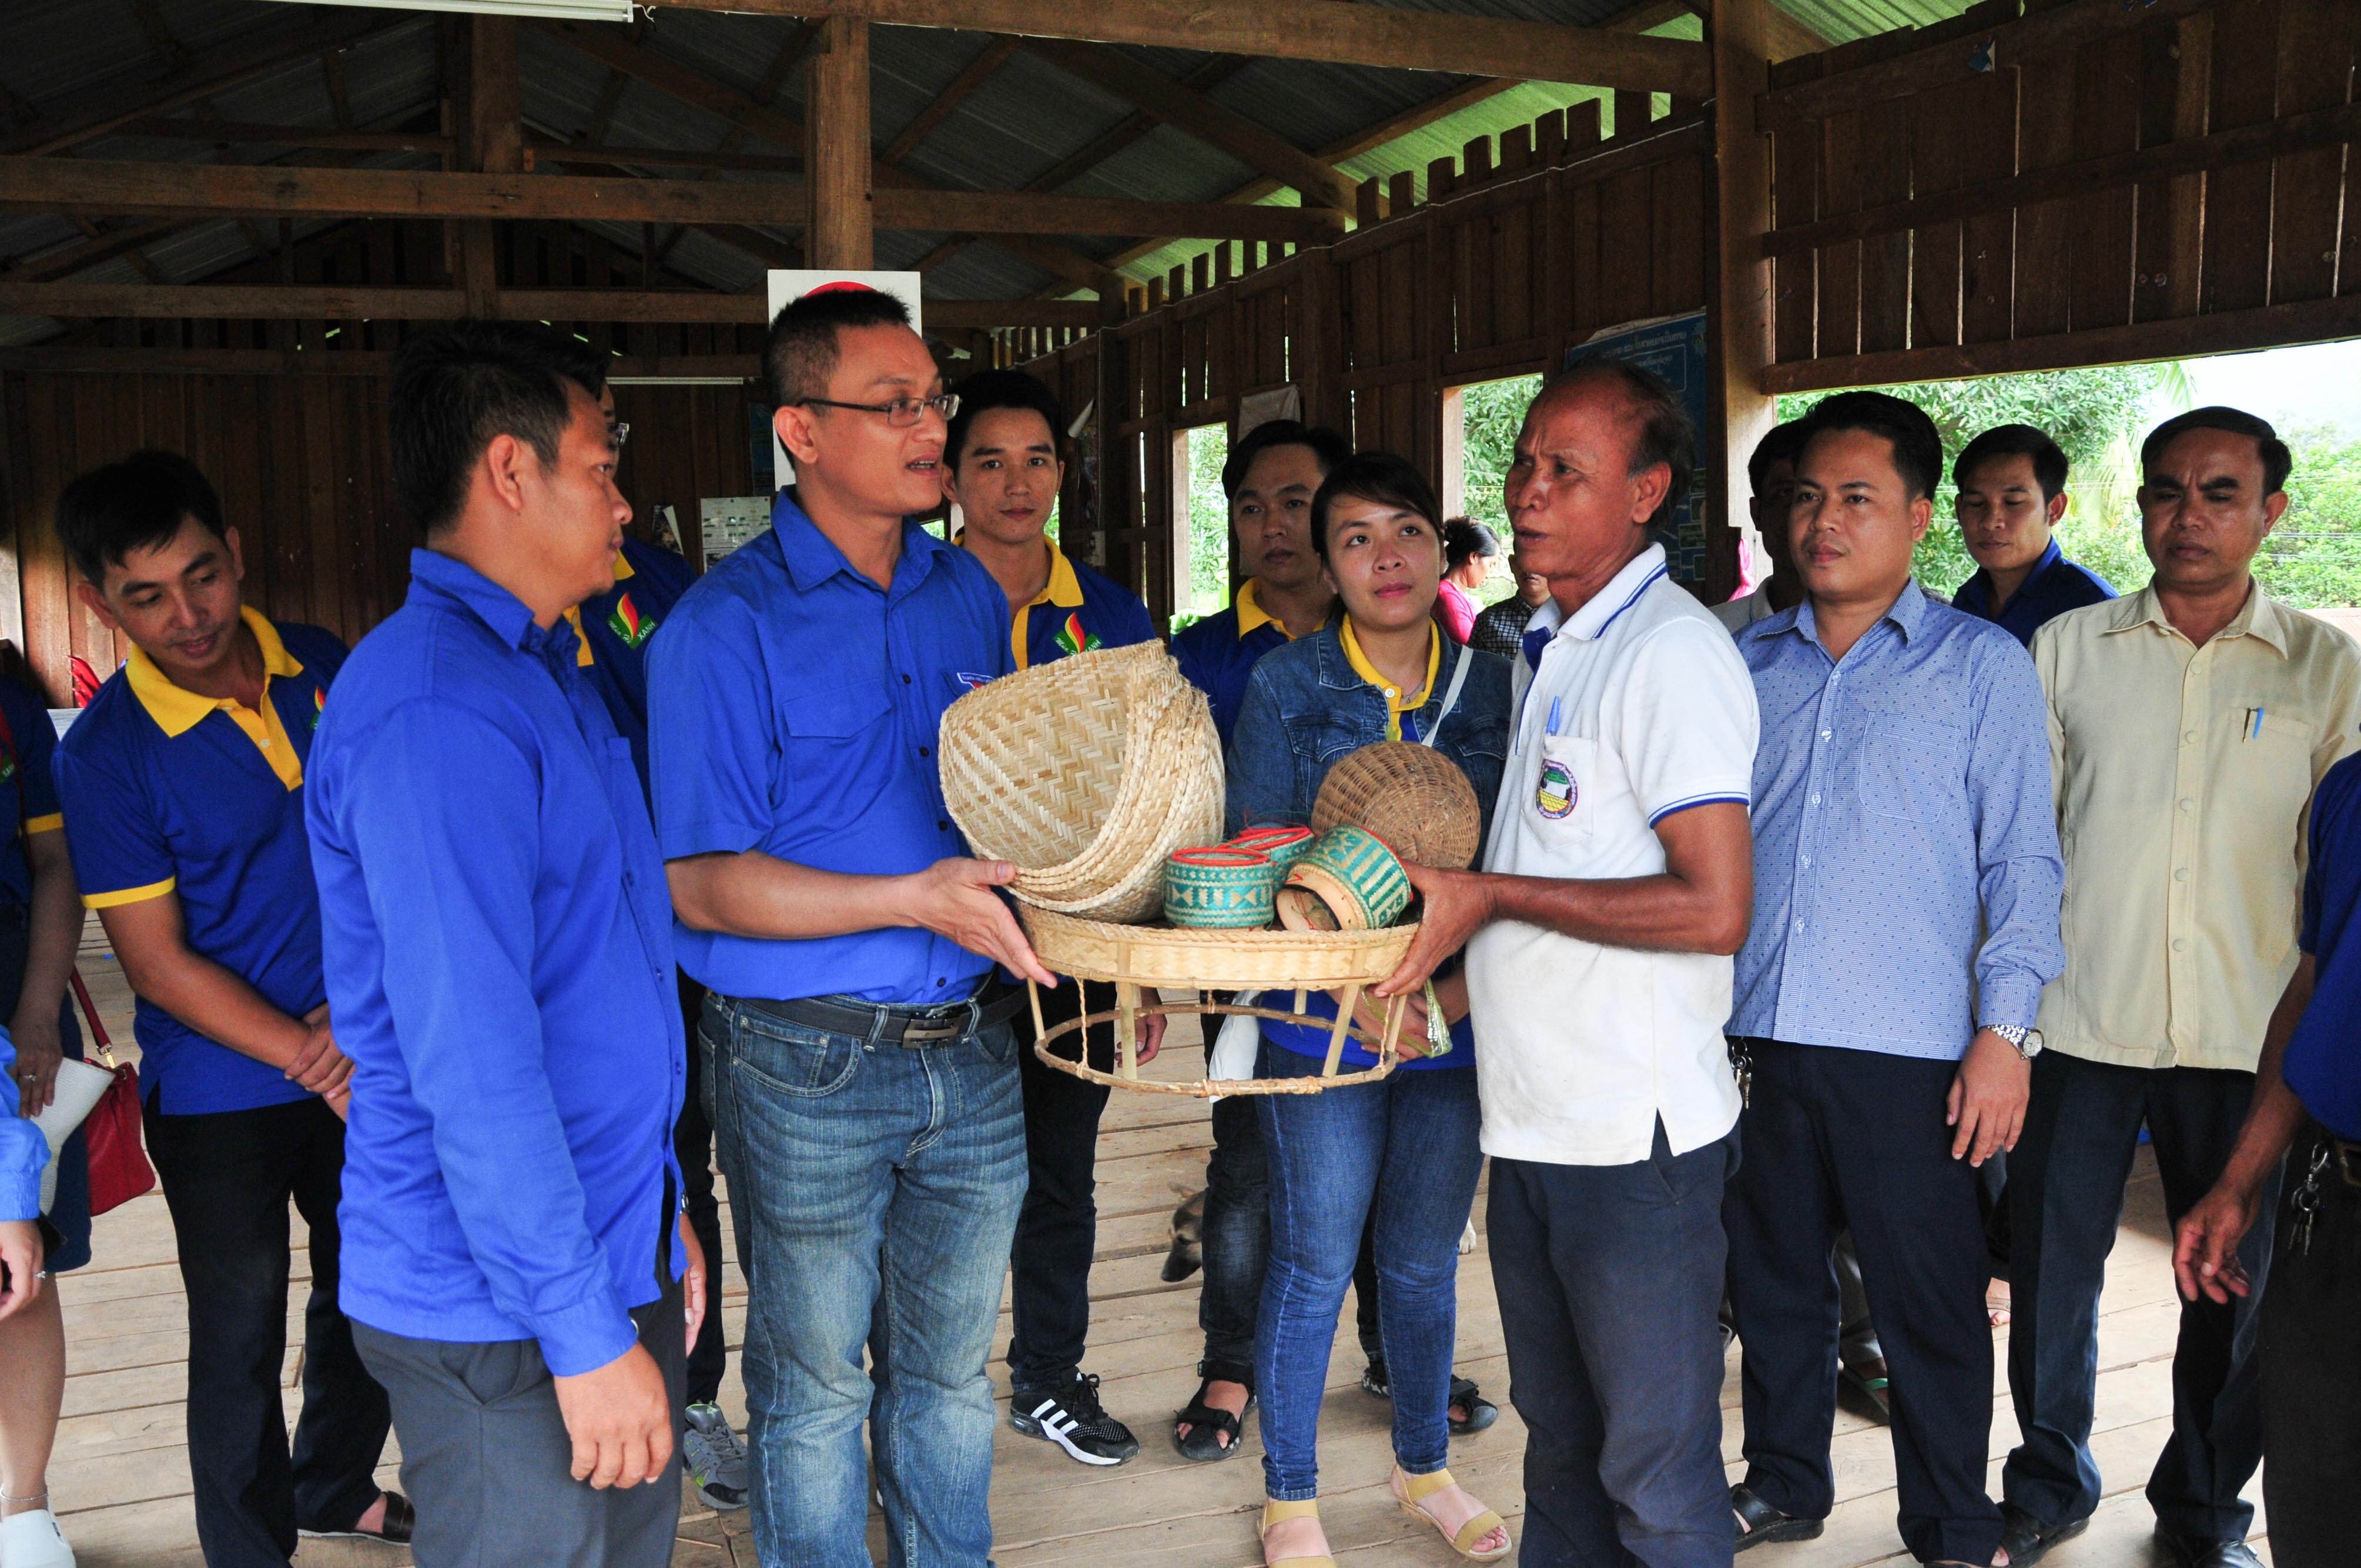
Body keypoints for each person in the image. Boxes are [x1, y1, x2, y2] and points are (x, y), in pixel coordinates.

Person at [648, 284, 1048, 1568]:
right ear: (801, 431)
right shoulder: (722, 626)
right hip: (801, 1057)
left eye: (935, 396)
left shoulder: (962, 596)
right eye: (895, 405)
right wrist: (909, 897)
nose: (932, 426)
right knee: (814, 1384)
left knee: (944, 1373)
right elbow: (698, 884)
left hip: (972, 1046)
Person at [306, 321, 694, 1568]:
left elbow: (591, 966)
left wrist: (655, 1212)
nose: (624, 500)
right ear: (511, 474)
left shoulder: (542, 668)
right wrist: (583, 1327)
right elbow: (472, 1056)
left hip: (591, 1240)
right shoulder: (437, 709)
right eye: (602, 463)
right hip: (501, 1301)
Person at [1377, 360, 1759, 1568]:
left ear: (1644, 493)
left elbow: (1713, 906)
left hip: (1629, 1143)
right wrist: (1438, 990)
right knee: (1561, 1448)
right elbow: (1553, 869)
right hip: (1535, 1124)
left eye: (1565, 471)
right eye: (1524, 464)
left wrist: (1483, 891)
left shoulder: (1668, 654)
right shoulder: (1549, 645)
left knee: (1653, 1467)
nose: (1528, 492)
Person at [2004, 407, 2361, 1568]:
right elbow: (2021, 843)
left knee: (2232, 1285)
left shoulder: (2326, 667)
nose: (2187, 514)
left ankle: (2205, 1501)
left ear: (2270, 511)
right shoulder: (2066, 649)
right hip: (2081, 1021)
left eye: (2219, 491)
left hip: (2250, 1036)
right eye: (2165, 490)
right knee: (2051, 1273)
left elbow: (2336, 879)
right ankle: (2048, 1478)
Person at [1722, 391, 2062, 1567]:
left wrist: (2003, 1033)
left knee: (1925, 1301)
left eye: (1857, 497)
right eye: (1807, 496)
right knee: (1771, 1286)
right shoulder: (1741, 661)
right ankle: (1782, 1482)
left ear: (1917, 515)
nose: (1825, 521)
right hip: (1755, 1030)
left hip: (1914, 1047)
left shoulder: (1978, 668)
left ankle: (1949, 1523)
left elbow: (2025, 857)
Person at [50, 451, 403, 1566]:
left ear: (234, 552)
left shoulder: (325, 666)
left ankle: (333, 1482)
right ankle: (249, 1553)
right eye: (146, 595)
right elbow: (154, 963)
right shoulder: (111, 753)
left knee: (376, 1293)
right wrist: (318, 1051)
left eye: (201, 575)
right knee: (237, 1333)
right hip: (221, 1090)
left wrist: (358, 1023)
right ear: (103, 601)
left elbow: (395, 840)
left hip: (366, 1048)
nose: (188, 614)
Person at [1227, 452, 1513, 1568]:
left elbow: (1523, 861)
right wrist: (1363, 999)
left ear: (1438, 550)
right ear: (1328, 562)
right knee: (1312, 1252)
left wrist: (1432, 1000)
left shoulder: (1497, 685)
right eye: (1355, 538)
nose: (1384, 557)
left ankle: (1422, 1466)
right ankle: (1289, 1493)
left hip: (1451, 1020)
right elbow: (1262, 856)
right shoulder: (1287, 687)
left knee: (1422, 1255)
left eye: (1404, 532)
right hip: (1319, 1022)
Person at [941, 367, 1162, 1467]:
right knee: (942, 1174)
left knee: (1060, 1171)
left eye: (1036, 459)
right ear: (950, 475)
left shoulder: (1111, 614)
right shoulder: (918, 600)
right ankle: (922, 1385)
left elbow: (1156, 789)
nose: (1016, 482)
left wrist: (1144, 966)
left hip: (1076, 948)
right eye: (989, 459)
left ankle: (1046, 1374)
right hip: (944, 944)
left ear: (1062, 474)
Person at [567, 391, 745, 1513]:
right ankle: (583, 1373)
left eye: (615, 457)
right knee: (585, 1157)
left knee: (684, 1161)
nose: (617, 492)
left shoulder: (672, 590)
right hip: (572, 952)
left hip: (678, 931)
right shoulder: (485, 641)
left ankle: (693, 1391)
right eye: (597, 460)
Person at [1170, 418, 1346, 1462]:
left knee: (1382, 1145)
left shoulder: (1390, 628)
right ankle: (1229, 1361)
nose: (1273, 526)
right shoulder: (1197, 654)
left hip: (1372, 952)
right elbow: (1167, 818)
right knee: (1246, 1160)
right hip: (1236, 959)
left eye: (1294, 502)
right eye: (1249, 506)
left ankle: (1388, 1347)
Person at [2174, 742, 2361, 1568]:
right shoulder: (2351, 791)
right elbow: (2317, 983)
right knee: (2317, 1498)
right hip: (2335, 1197)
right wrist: (2241, 1177)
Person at [0, 658, 89, 1568]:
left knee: (20, 1255)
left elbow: (56, 859)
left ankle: (24, 1501)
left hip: (16, 987)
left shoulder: (12, 710)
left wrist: (36, 1006)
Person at [1949, 424, 2115, 646]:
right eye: (1976, 504)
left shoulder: (2093, 609)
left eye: (2013, 503)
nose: (1991, 522)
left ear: (2054, 509)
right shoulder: (1966, 602)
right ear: (1959, 510)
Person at [1715, 419, 1809, 632]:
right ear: (1757, 513)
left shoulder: (1891, 638)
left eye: (1812, 495)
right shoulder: (1712, 634)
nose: (1807, 515)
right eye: (1787, 493)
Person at [1469, 542, 1548, 659]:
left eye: (1540, 558)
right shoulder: (1489, 621)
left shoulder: (1569, 618)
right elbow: (1474, 673)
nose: (1531, 567)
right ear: (1512, 563)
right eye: (1524, 557)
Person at [1435, 517, 1499, 644]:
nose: (1489, 575)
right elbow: (1470, 646)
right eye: (1491, 564)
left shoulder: (1458, 595)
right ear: (1474, 557)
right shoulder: (1447, 597)